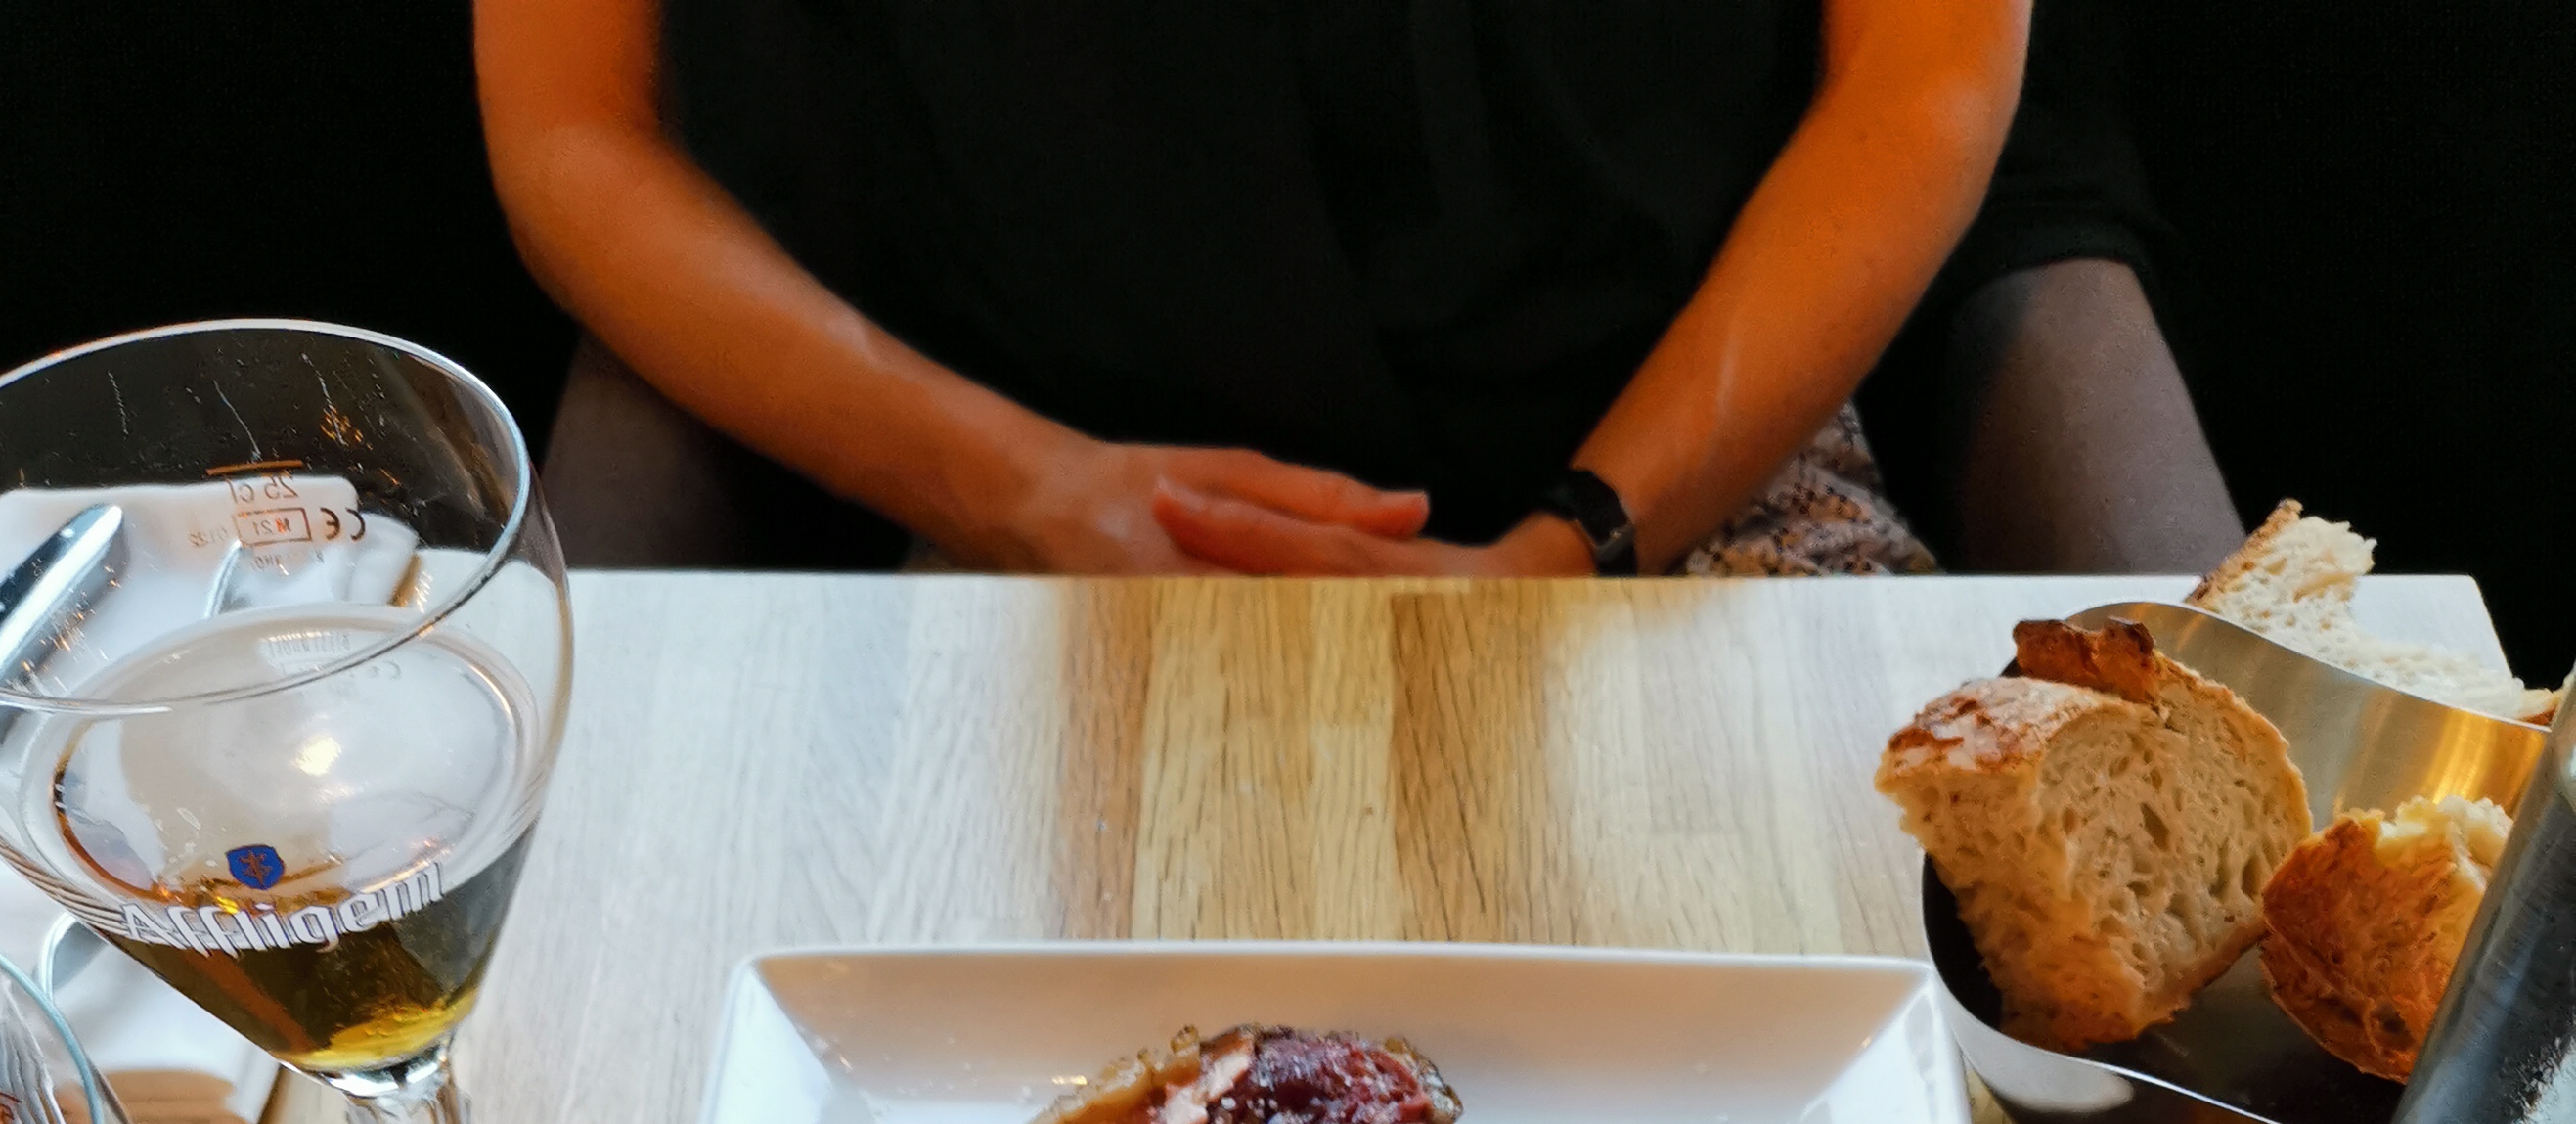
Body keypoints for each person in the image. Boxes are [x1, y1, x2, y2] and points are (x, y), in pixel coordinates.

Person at [476, 0, 2241, 580]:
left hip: (1692, 468)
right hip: (980, 494)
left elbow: (1930, 74)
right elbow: (573, 127)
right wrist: (1014, 490)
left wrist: (1583, 542)